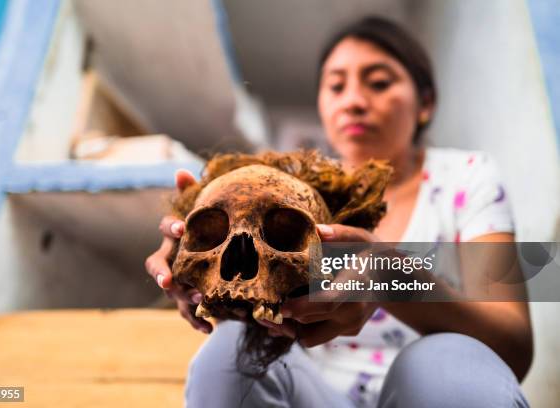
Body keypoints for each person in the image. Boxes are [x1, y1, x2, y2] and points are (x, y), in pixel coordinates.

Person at [145, 16, 532, 407]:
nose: (353, 101)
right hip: (320, 396)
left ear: (425, 103)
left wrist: (390, 277)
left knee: (443, 360)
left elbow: (514, 344)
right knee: (232, 348)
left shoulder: (467, 178)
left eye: (379, 83)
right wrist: (197, 266)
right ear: (322, 105)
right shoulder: (296, 199)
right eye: (336, 86)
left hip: (435, 394)